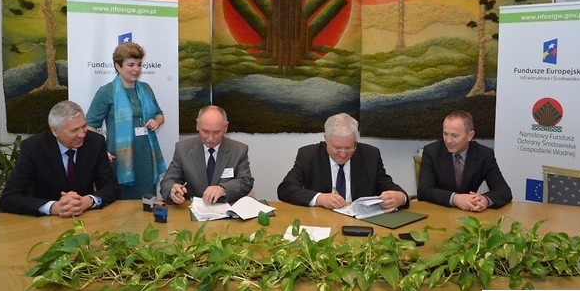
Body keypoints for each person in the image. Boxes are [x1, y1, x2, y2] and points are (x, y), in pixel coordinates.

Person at [0, 101, 119, 216]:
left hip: (85, 219)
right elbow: (8, 198)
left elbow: (111, 187)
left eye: (84, 126)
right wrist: (53, 207)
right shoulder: (33, 148)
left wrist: (88, 201)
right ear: (55, 131)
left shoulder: (95, 142)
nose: (82, 134)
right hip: (44, 224)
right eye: (75, 130)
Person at [278, 113, 409, 212]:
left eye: (349, 148)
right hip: (322, 220)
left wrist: (401, 198)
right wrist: (319, 198)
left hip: (360, 223)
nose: (343, 154)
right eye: (337, 148)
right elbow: (285, 189)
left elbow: (390, 187)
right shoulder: (309, 155)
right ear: (326, 140)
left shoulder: (370, 155)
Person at [86, 42, 166, 199]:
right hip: (119, 160)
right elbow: (89, 126)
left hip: (147, 158)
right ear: (118, 66)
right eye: (131, 65)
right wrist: (101, 151)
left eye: (139, 64)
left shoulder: (146, 88)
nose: (136, 69)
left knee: (147, 203)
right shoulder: (106, 92)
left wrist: (157, 121)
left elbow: (160, 114)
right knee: (121, 205)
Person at [418, 110, 512, 212]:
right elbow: (424, 191)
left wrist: (485, 200)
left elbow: (504, 191)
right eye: (445, 134)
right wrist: (455, 198)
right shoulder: (431, 152)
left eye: (454, 136)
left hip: (469, 213)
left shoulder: (484, 154)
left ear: (470, 136)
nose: (448, 140)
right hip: (438, 212)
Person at [160, 105, 254, 205]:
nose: (210, 138)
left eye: (216, 132)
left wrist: (223, 189)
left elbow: (245, 182)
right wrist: (172, 190)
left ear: (226, 127)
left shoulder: (238, 150)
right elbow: (167, 182)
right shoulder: (183, 149)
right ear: (197, 125)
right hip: (192, 209)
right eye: (205, 132)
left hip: (225, 209)